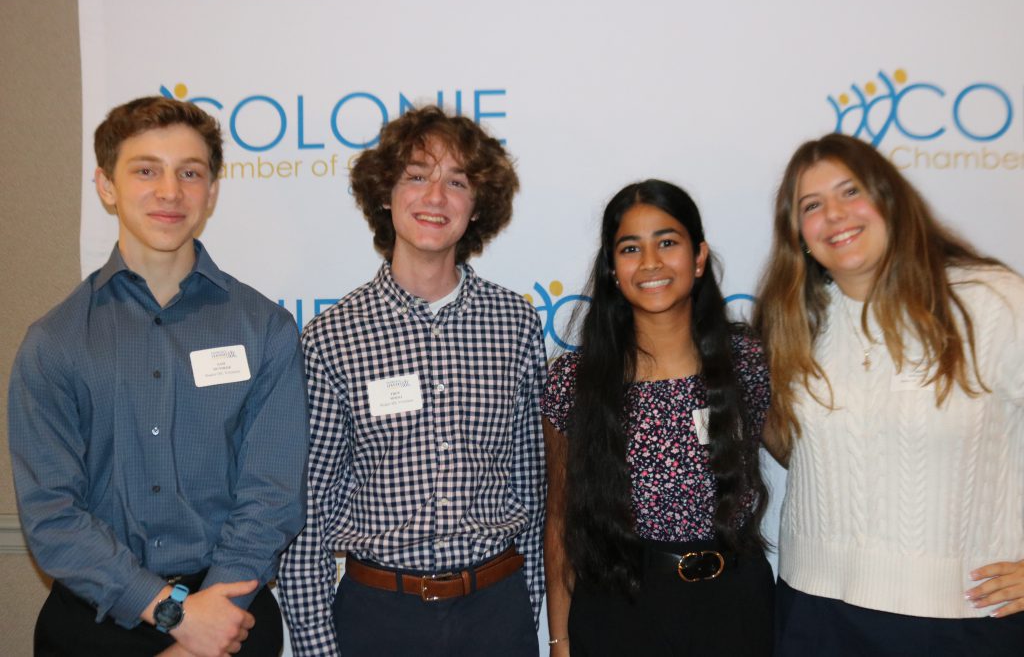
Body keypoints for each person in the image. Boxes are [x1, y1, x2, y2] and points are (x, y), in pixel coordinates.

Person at [7, 96, 309, 657]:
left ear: (211, 192)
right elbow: (51, 514)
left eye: (189, 173)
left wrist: (209, 622)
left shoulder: (265, 328)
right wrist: (173, 614)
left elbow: (272, 496)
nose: (170, 192)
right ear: (106, 186)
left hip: (231, 616)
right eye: (146, 170)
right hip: (92, 623)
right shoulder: (54, 343)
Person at [278, 106, 547, 657]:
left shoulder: (514, 324)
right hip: (379, 616)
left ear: (477, 207)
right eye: (417, 176)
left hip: (496, 610)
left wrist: (528, 603)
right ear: (385, 193)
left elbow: (532, 487)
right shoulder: (333, 337)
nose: (435, 197)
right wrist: (314, 645)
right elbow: (308, 509)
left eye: (457, 182)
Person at [754, 133, 1024, 656]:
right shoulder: (792, 321)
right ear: (799, 235)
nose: (834, 214)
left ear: (891, 201)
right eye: (813, 205)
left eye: (851, 192)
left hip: (963, 618)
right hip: (813, 613)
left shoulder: (990, 301)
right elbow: (794, 450)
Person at [542, 180, 774, 656]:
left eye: (667, 242)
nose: (650, 263)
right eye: (631, 248)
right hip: (618, 610)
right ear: (612, 268)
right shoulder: (575, 380)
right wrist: (560, 639)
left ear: (699, 256)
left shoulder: (746, 361)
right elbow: (561, 520)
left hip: (734, 608)